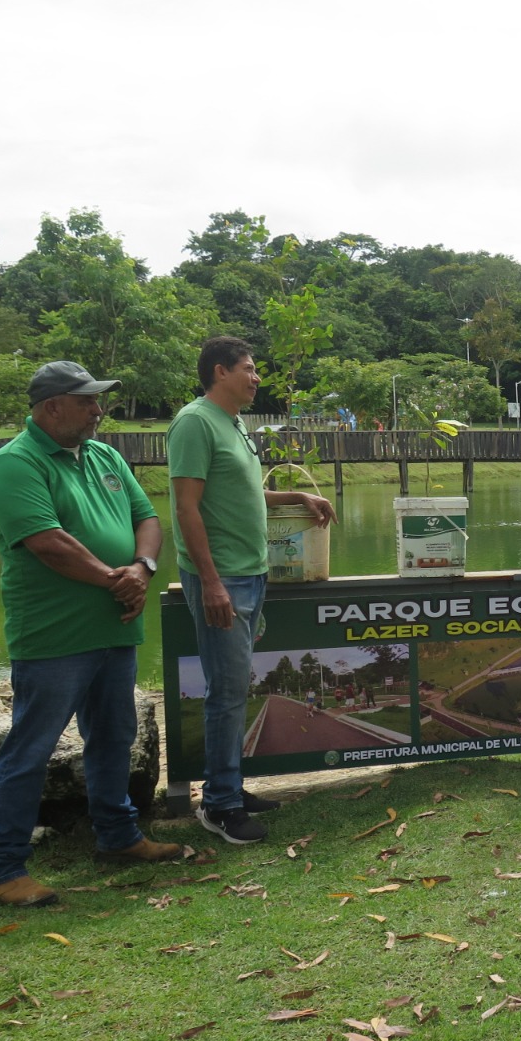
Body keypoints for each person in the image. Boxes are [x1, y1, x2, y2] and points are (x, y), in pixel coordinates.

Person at [0, 361, 182, 909]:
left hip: (116, 627)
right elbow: (48, 543)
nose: (99, 410)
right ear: (51, 408)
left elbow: (148, 519)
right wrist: (117, 581)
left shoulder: (105, 455)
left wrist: (141, 567)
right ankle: (2, 867)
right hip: (54, 636)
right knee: (31, 747)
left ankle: (118, 836)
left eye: (99, 400)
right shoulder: (14, 465)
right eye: (87, 401)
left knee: (114, 735)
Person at [169, 336, 333, 845]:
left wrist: (295, 494)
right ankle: (219, 806)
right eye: (249, 368)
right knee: (225, 693)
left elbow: (240, 491)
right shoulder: (194, 422)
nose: (256, 377)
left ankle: (231, 788)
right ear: (220, 372)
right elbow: (186, 507)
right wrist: (212, 581)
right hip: (224, 578)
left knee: (237, 688)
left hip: (252, 572)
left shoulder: (234, 423)